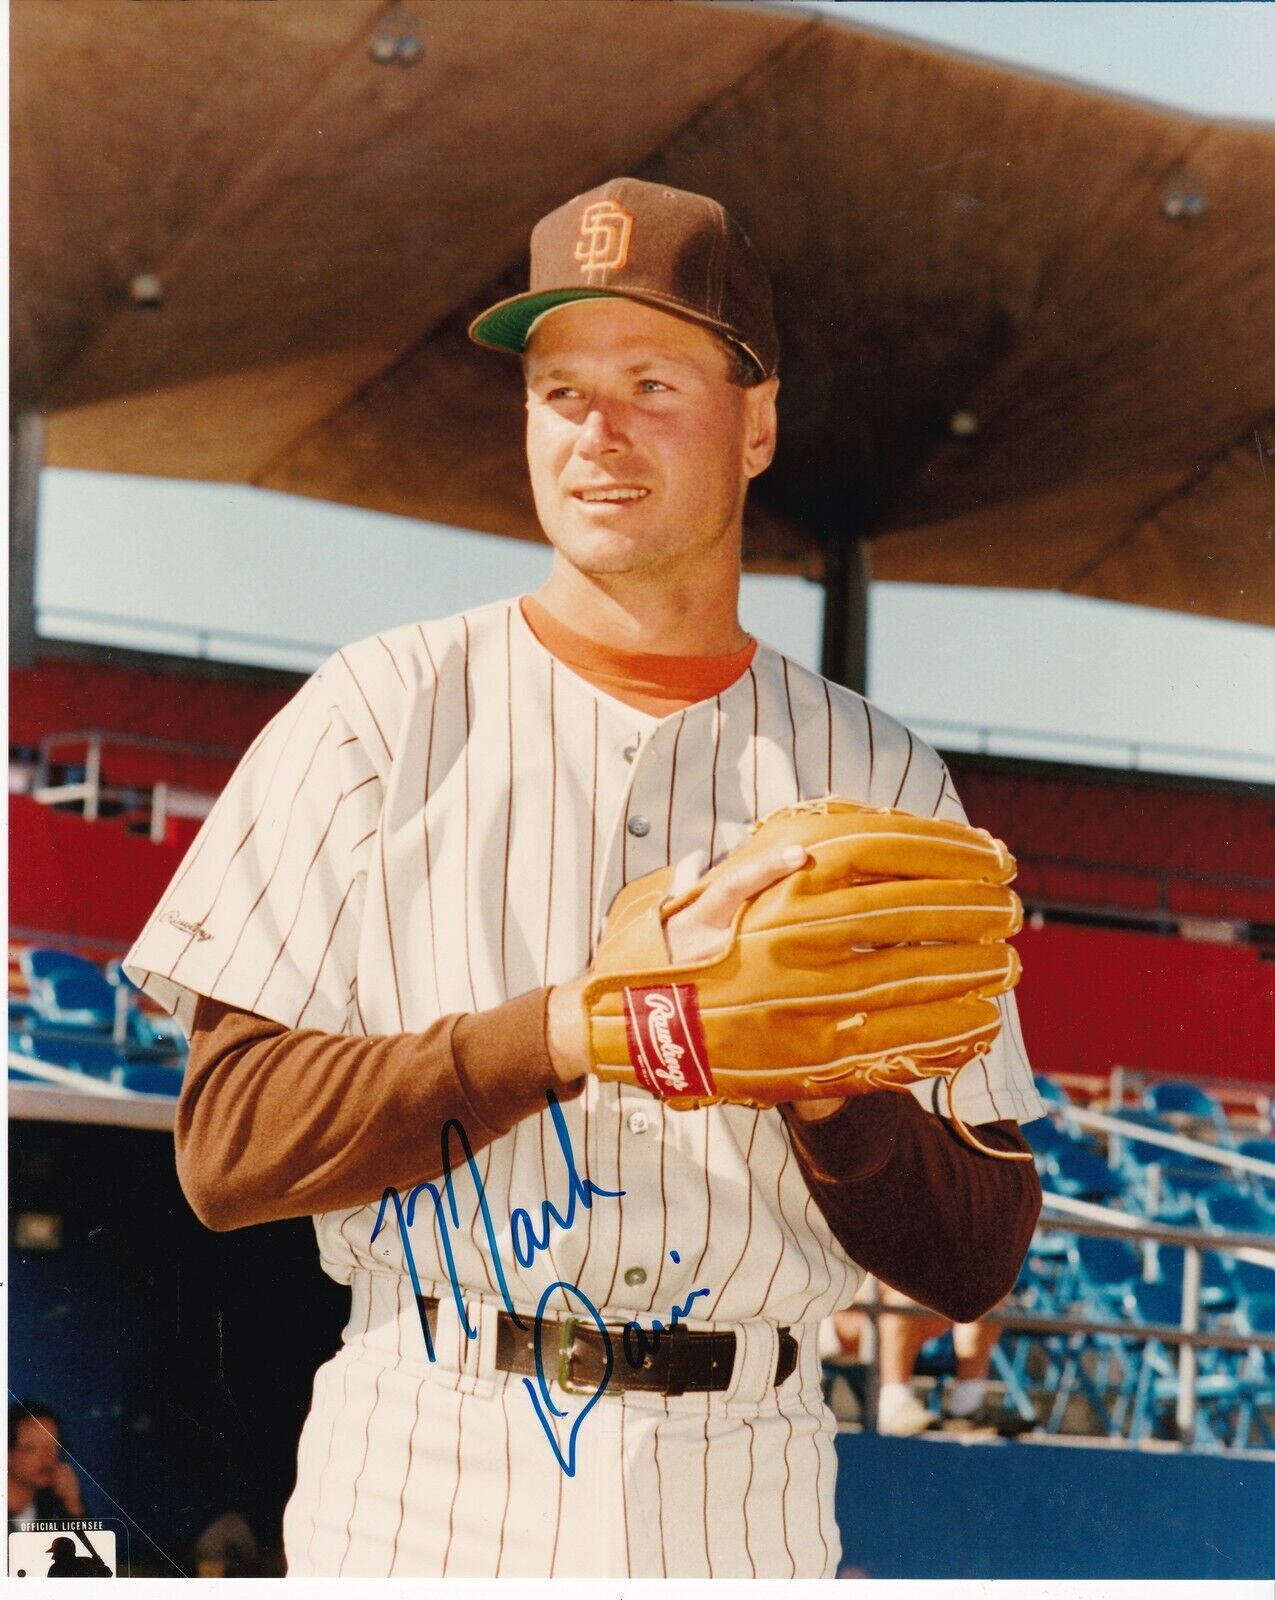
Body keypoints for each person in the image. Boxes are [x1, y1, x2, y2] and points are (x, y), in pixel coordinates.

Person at [123, 176, 1043, 1579]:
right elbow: (227, 1148)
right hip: (423, 1457)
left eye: (649, 381)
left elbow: (976, 1250)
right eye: (559, 391)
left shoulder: (878, 775)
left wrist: (828, 1088)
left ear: (757, 423)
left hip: (736, 1488)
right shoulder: (377, 710)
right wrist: (556, 1033)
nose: (594, 431)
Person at [823, 1289, 1037, 1436]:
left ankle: (966, 1406)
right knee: (900, 1292)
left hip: (900, 1321)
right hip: (824, 1322)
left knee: (987, 1294)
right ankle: (895, 1404)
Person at [8, 1404, 84, 1534]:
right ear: (7, 1454)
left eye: (53, 1447)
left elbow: (93, 1552)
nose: (46, 1459)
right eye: (31, 1448)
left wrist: (74, 1506)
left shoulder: (56, 1508)